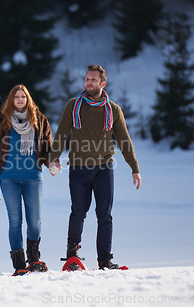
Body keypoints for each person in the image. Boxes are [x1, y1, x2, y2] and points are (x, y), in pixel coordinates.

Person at [49, 65, 142, 270]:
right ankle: (72, 257)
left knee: (105, 215)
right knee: (78, 213)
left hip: (104, 169)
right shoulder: (73, 106)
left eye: (93, 79)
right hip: (78, 168)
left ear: (102, 83)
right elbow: (61, 134)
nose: (88, 83)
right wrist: (54, 158)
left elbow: (124, 140)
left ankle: (105, 260)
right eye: (86, 79)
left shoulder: (113, 110)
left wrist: (134, 167)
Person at [0, 84, 55, 276]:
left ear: (28, 99)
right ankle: (19, 266)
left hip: (33, 177)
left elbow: (47, 147)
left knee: (34, 222)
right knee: (15, 221)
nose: (19, 99)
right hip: (9, 178)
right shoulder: (1, 121)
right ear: (11, 99)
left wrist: (52, 164)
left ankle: (34, 259)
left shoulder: (39, 120)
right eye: (16, 96)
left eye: (23, 97)